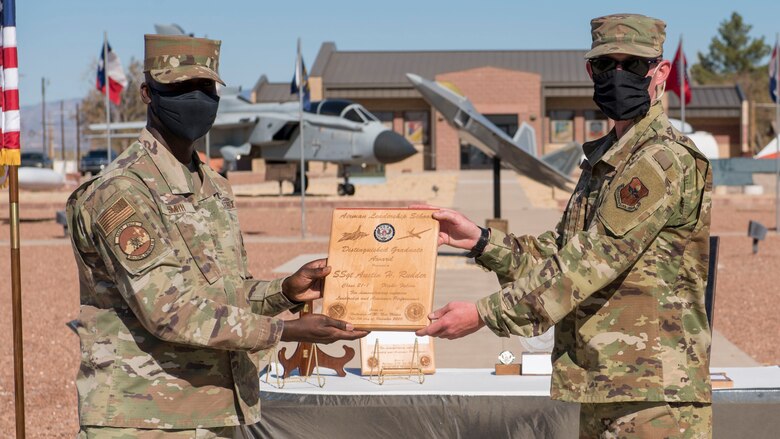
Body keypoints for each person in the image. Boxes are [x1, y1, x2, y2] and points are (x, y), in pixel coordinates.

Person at [416, 14, 713, 438]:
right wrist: (480, 241)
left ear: (659, 71)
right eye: (605, 66)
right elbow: (559, 251)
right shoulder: (608, 158)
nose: (616, 76)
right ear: (590, 70)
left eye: (631, 66)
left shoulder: (660, 159)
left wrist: (485, 314)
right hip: (608, 383)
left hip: (655, 395)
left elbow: (587, 262)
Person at [67, 34, 367, 438]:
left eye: (205, 88)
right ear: (147, 93)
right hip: (143, 417)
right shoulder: (121, 190)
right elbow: (169, 311)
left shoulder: (215, 188)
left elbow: (224, 294)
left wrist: (285, 293)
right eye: (178, 88)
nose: (195, 99)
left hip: (215, 412)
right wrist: (285, 332)